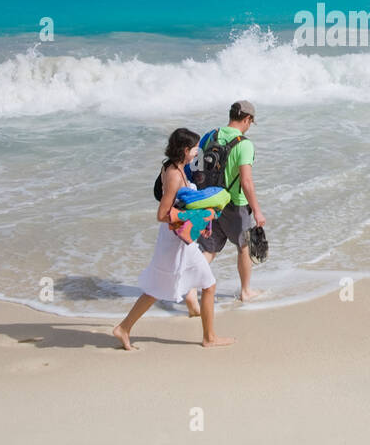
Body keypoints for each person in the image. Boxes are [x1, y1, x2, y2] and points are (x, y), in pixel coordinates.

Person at [113, 128, 235, 350]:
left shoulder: (176, 168)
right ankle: (124, 328)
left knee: (205, 285)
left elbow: (183, 206)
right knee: (161, 289)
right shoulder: (173, 174)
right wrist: (193, 216)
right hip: (173, 243)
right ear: (186, 150)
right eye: (196, 148)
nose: (198, 151)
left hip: (182, 240)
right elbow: (162, 214)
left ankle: (208, 336)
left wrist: (200, 223)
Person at [185, 100, 265, 312]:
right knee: (244, 247)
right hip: (235, 204)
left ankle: (191, 290)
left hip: (210, 200)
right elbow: (246, 182)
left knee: (209, 249)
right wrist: (257, 210)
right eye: (250, 122)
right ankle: (246, 291)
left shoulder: (209, 135)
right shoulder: (245, 144)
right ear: (247, 119)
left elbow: (194, 167)